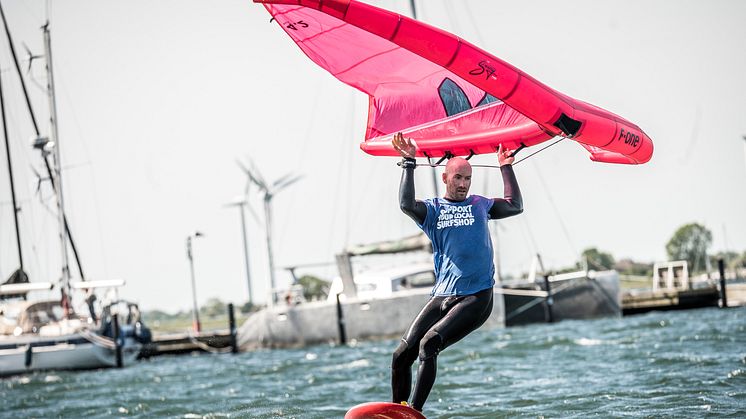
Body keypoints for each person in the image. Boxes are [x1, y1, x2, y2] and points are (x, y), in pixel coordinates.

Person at [390, 132, 523, 412]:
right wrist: (408, 162)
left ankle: (415, 413)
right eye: (458, 178)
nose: (463, 184)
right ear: (445, 179)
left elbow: (515, 205)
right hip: (443, 294)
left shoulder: (480, 205)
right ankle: (397, 411)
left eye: (467, 179)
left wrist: (505, 166)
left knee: (429, 345)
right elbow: (406, 205)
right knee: (402, 355)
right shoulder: (433, 210)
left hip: (477, 296)